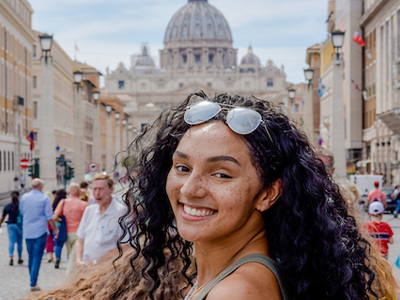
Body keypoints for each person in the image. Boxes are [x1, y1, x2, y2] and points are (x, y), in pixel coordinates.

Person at [114, 93, 379, 300]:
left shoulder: (236, 292)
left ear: (268, 193)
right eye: (182, 168)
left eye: (221, 174)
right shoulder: (237, 274)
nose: (188, 189)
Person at [75, 173, 125, 271]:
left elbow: (125, 246)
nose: (97, 193)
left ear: (111, 189)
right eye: (94, 189)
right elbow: (80, 241)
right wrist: (78, 261)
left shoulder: (121, 213)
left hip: (109, 270)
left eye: (101, 189)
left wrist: (96, 262)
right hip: (86, 269)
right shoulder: (89, 210)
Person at [19, 179, 59, 291]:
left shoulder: (24, 197)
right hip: (40, 232)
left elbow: (21, 211)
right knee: (37, 257)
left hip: (27, 232)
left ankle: (32, 279)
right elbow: (49, 216)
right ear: (41, 187)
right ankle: (33, 282)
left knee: (31, 256)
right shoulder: (44, 198)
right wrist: (55, 229)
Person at [52, 182, 88, 273]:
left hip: (67, 233)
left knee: (71, 255)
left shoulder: (63, 202)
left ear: (69, 191)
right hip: (79, 234)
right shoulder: (83, 204)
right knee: (75, 257)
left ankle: (73, 276)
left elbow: (54, 217)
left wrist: (62, 221)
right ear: (79, 192)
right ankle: (70, 276)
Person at [0, 191, 23, 266]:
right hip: (19, 225)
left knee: (11, 241)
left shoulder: (8, 206)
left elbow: (3, 217)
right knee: (19, 242)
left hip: (10, 225)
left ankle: (11, 257)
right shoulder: (21, 205)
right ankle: (19, 258)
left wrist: (0, 224)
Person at [52, 189, 67, 267]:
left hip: (57, 224)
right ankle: (69, 258)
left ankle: (57, 257)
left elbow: (53, 216)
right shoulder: (66, 202)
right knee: (67, 242)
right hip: (65, 225)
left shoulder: (54, 203)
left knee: (57, 244)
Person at [44, 191, 55, 263]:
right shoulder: (52, 204)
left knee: (48, 240)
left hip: (45, 224)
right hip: (51, 223)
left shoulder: (43, 204)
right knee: (52, 239)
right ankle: (51, 254)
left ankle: (49, 255)